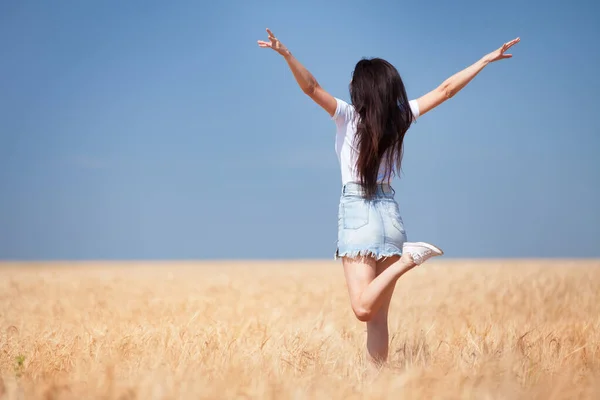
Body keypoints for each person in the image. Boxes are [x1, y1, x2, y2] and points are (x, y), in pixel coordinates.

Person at [257, 28, 520, 367]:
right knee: (378, 319)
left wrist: (287, 55)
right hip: (390, 216)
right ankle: (379, 387)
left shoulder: (347, 115)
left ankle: (408, 261)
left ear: (359, 89)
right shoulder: (400, 117)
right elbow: (446, 90)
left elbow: (311, 88)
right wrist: (484, 60)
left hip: (358, 214)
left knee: (363, 309)